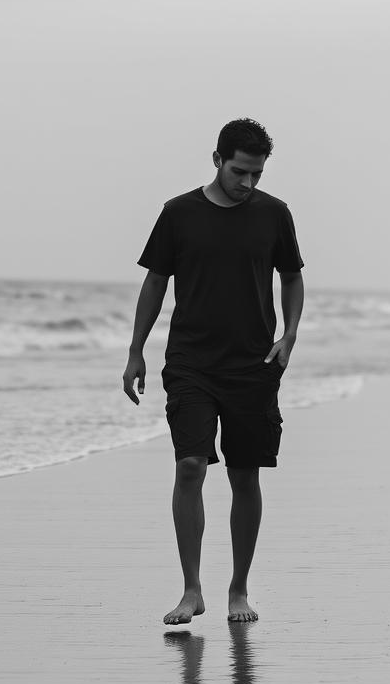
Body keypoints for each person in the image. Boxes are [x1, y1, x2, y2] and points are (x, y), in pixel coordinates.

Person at [122, 118, 305, 625]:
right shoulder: (179, 213)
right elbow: (155, 284)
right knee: (190, 466)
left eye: (257, 175)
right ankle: (191, 590)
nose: (248, 184)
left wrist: (288, 336)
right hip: (190, 362)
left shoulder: (275, 215)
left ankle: (239, 590)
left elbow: (291, 278)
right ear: (217, 160)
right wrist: (136, 351)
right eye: (240, 172)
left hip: (253, 364)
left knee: (245, 476)